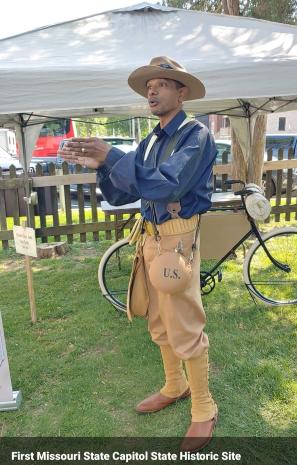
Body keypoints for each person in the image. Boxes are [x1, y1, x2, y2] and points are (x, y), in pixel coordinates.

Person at [58, 56, 218, 451]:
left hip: (177, 238)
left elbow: (168, 185)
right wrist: (101, 164)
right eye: (150, 84)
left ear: (181, 92)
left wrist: (112, 155)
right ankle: (174, 385)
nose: (152, 89)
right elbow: (123, 193)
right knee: (159, 319)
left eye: (162, 83)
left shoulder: (196, 135)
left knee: (183, 319)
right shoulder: (150, 141)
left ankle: (204, 406)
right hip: (149, 236)